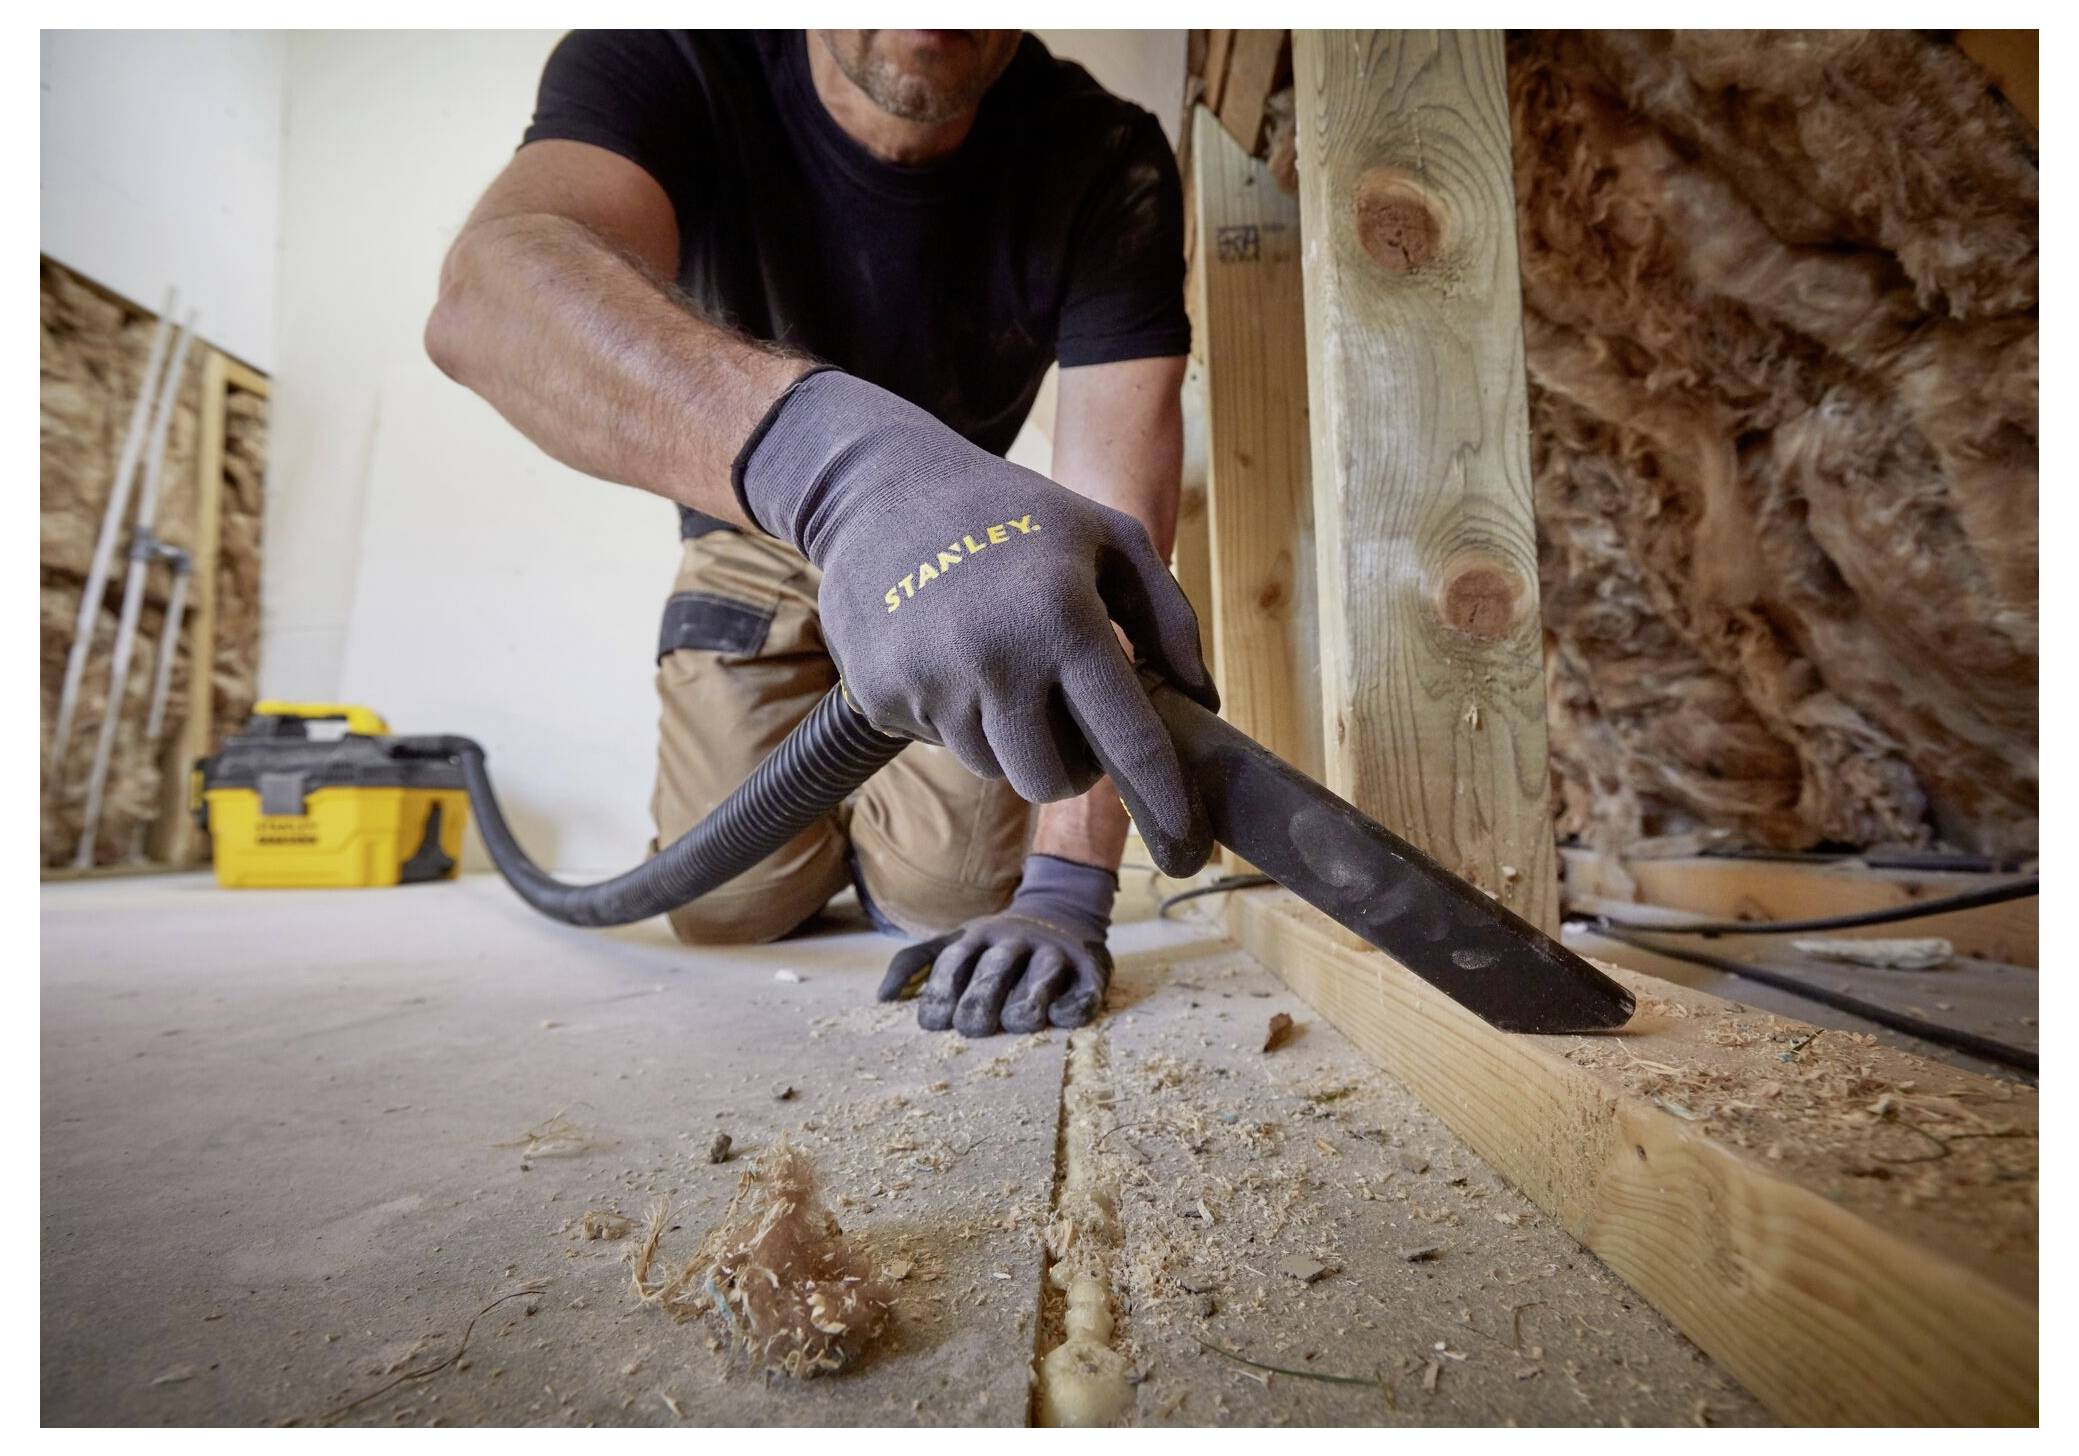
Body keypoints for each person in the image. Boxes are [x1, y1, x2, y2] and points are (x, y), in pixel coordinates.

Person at [425, 29, 1216, 1037]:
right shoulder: (668, 57)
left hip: (957, 556)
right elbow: (490, 292)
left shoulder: (1105, 155)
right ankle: (811, 829)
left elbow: (1119, 536)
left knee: (956, 891)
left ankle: (896, 834)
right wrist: (837, 466)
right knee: (727, 904)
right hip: (749, 527)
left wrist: (1065, 884)